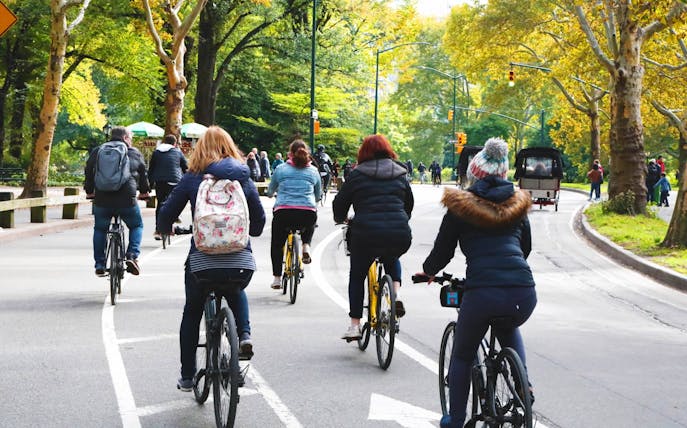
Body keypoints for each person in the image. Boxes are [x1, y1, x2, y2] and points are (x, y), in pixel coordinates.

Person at [415, 137, 536, 428]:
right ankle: (524, 386)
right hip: (523, 290)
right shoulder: (518, 205)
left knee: (462, 356)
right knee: (508, 326)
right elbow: (526, 248)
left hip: (483, 292)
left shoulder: (461, 207)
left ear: (473, 174)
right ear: (505, 173)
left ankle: (455, 421)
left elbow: (443, 251)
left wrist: (429, 271)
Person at [157, 125, 266, 392]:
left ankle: (187, 375)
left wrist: (165, 226)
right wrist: (247, 231)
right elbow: (260, 221)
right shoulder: (244, 178)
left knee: (192, 311)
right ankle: (244, 336)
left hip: (202, 262)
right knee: (235, 288)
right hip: (240, 261)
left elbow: (167, 212)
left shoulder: (192, 178)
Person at [333, 134, 413, 340]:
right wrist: (402, 219)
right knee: (392, 255)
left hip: (366, 233)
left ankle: (354, 325)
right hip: (398, 232)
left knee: (357, 275)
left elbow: (341, 202)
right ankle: (395, 295)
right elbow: (409, 203)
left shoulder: (357, 174)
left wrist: (340, 218)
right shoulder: (401, 172)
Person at [84, 126, 150, 277]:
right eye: (131, 138)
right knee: (136, 225)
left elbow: (89, 170)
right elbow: (143, 173)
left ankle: (100, 264)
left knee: (100, 229)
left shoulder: (98, 151)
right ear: (126, 138)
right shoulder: (133, 152)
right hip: (127, 199)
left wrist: (89, 191)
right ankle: (132, 256)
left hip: (102, 198)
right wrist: (144, 192)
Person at [266, 139, 322, 289]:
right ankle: (306, 246)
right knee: (310, 220)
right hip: (307, 212)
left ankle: (277, 278)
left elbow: (270, 191)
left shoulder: (281, 169)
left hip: (284, 212)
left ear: (290, 154)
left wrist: (270, 194)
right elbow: (318, 195)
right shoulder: (313, 171)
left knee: (277, 244)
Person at [148, 134, 188, 240]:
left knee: (160, 203)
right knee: (173, 203)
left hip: (160, 181)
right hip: (174, 181)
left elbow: (151, 169)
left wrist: (150, 185)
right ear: (174, 143)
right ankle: (172, 221)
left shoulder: (156, 152)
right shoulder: (177, 152)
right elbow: (185, 167)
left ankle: (158, 230)